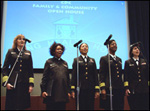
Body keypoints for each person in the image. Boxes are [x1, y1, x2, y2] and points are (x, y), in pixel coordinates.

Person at [2, 34, 34, 110]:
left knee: (22, 105)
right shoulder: (11, 51)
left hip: (24, 82)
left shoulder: (28, 53)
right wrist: (6, 82)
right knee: (12, 104)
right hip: (13, 81)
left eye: (23, 39)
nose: (22, 40)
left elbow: (30, 69)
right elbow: (5, 68)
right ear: (16, 41)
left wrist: (31, 84)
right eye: (19, 39)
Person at [40, 42, 71, 110]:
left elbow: (67, 79)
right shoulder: (49, 62)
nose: (60, 51)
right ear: (54, 51)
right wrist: (43, 90)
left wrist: (69, 91)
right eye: (58, 49)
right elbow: (44, 77)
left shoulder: (65, 63)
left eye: (61, 49)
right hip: (51, 93)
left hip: (62, 93)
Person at [71, 43, 100, 110]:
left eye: (86, 46)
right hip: (80, 88)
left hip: (90, 88)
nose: (85, 48)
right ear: (79, 49)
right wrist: (72, 89)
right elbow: (74, 75)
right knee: (81, 106)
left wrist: (97, 89)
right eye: (83, 46)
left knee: (90, 106)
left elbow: (95, 75)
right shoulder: (76, 60)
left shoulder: (92, 60)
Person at [99, 39, 124, 110]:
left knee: (119, 107)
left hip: (119, 88)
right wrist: (103, 88)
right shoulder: (104, 59)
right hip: (109, 87)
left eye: (115, 44)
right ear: (108, 46)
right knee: (109, 107)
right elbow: (102, 74)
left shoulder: (119, 59)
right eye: (112, 44)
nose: (115, 45)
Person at [124, 43, 149, 110]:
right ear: (131, 51)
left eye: (138, 49)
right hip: (134, 88)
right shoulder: (128, 62)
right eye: (135, 49)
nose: (137, 50)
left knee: (145, 106)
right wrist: (127, 87)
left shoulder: (144, 61)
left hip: (144, 89)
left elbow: (147, 75)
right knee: (135, 107)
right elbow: (126, 76)